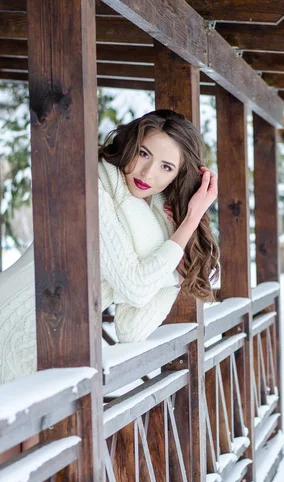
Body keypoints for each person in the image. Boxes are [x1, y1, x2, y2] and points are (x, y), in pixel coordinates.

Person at [0, 109, 220, 386]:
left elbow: (132, 328)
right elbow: (136, 287)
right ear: (129, 145)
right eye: (143, 153)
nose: (147, 172)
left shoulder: (155, 218)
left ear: (178, 176)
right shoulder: (91, 184)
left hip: (51, 345)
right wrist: (190, 221)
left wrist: (176, 243)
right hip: (9, 320)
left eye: (166, 167)